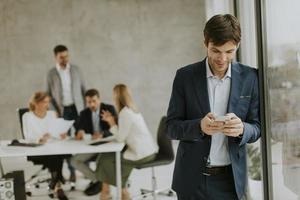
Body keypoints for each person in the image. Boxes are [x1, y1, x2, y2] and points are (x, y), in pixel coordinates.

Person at [166, 14, 261, 200]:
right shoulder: (185, 77)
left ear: (238, 46)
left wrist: (243, 129)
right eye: (216, 51)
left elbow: (257, 126)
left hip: (231, 181)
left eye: (229, 51)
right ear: (205, 44)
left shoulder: (250, 77)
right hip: (192, 181)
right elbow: (171, 128)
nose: (222, 59)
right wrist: (199, 126)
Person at [96, 84, 158, 200]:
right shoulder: (132, 110)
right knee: (107, 158)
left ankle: (115, 192)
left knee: (106, 160)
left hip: (142, 155)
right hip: (149, 151)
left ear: (117, 97)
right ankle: (119, 192)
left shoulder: (125, 113)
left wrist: (111, 122)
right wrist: (113, 121)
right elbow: (124, 133)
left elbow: (120, 138)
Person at [47, 44, 86, 186]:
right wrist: (54, 110)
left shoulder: (76, 70)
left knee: (81, 138)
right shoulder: (51, 73)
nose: (65, 59)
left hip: (77, 109)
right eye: (61, 57)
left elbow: (83, 90)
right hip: (62, 111)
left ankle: (82, 167)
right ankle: (72, 172)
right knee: (65, 142)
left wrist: (86, 109)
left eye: (66, 56)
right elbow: (49, 95)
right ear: (55, 57)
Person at [22, 91, 69, 200]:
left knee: (57, 154)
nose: (47, 105)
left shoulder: (52, 114)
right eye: (44, 102)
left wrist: (62, 135)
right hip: (36, 150)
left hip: (53, 148)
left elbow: (57, 133)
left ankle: (56, 184)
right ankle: (58, 183)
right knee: (56, 157)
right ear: (36, 103)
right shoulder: (27, 116)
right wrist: (40, 139)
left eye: (48, 102)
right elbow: (27, 137)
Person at [70, 89, 117, 196]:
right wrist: (80, 131)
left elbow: (116, 128)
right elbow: (79, 128)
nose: (91, 104)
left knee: (102, 161)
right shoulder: (84, 113)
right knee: (74, 161)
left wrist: (102, 134)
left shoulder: (109, 109)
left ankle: (102, 184)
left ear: (99, 99)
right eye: (89, 102)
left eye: (94, 101)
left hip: (107, 145)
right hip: (92, 146)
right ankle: (99, 181)